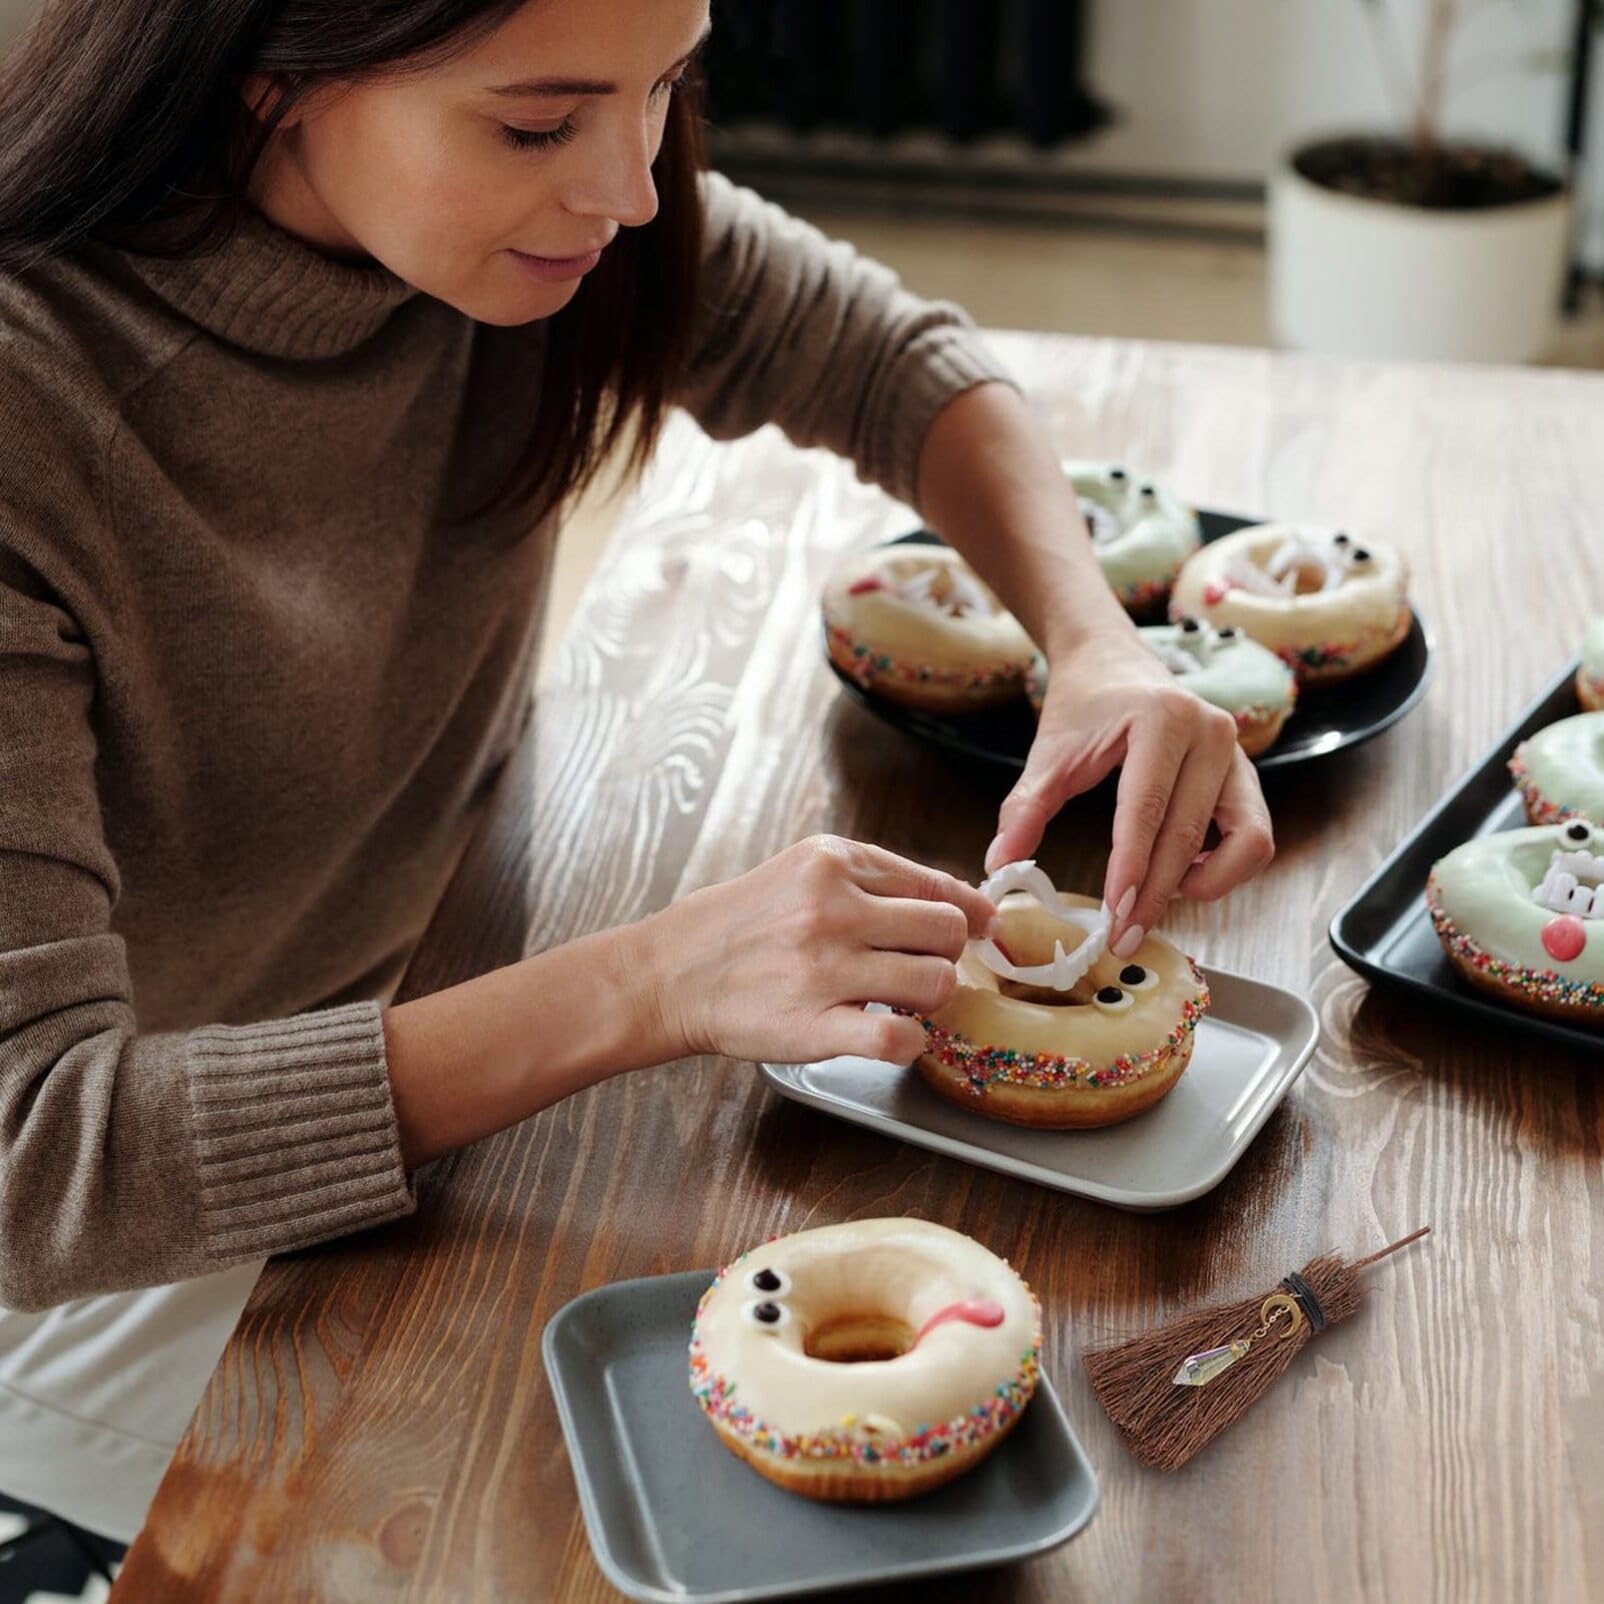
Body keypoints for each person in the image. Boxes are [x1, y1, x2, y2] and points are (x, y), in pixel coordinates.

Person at [0, 0, 1274, 1541]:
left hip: (449, 1001)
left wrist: (1097, 644)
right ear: (269, 72)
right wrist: (648, 986)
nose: (635, 190)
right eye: (539, 124)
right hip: (125, 1267)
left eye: (666, 87)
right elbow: (42, 1163)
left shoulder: (533, 232)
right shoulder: (34, 417)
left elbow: (894, 357)